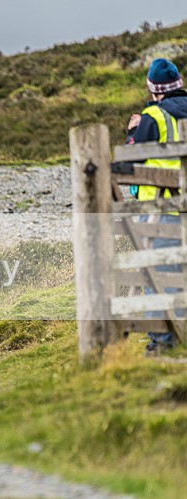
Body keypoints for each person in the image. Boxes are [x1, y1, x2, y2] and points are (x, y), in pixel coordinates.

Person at [126, 58, 187, 355]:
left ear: (154, 90)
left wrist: (132, 131)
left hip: (163, 209)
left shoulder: (155, 116)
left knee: (159, 275)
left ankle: (162, 345)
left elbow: (128, 160)